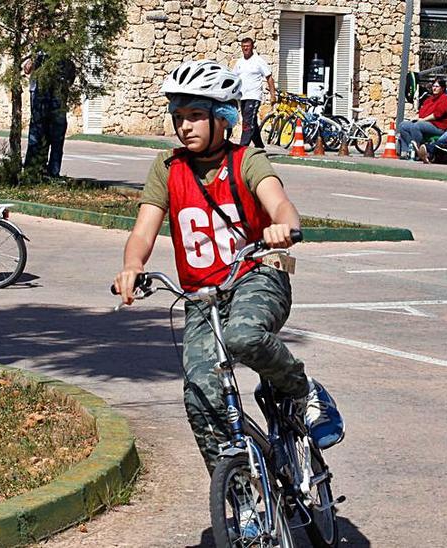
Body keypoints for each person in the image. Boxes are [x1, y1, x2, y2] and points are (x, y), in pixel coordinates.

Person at [111, 59, 339, 474]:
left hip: (257, 276)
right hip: (201, 296)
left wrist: (283, 228)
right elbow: (144, 230)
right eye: (178, 117)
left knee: (243, 335)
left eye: (197, 115)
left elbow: (279, 203)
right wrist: (131, 265)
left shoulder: (246, 160)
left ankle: (303, 390)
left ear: (224, 117)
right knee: (200, 392)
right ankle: (240, 492)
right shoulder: (166, 169)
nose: (185, 126)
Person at [23, 51, 77, 177]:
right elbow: (27, 68)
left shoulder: (63, 62)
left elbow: (27, 69)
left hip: (49, 101)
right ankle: (43, 170)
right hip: (48, 101)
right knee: (45, 136)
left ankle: (36, 170)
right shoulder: (40, 57)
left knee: (43, 135)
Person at [232, 37, 277, 149]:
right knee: (250, 121)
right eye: (243, 46)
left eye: (248, 46)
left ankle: (242, 148)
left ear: (252, 47)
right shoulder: (240, 62)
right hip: (242, 97)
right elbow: (234, 78)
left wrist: (272, 95)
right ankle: (259, 146)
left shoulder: (258, 61)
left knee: (247, 122)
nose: (245, 48)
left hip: (254, 96)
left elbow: (269, 77)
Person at [399, 78, 447, 162]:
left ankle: (420, 150)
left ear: (442, 88)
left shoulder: (445, 99)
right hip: (427, 123)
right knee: (403, 125)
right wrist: (416, 117)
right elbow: (421, 112)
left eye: (437, 86)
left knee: (417, 126)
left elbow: (437, 115)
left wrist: (422, 120)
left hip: (439, 126)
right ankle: (407, 151)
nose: (434, 88)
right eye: (433, 86)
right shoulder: (429, 99)